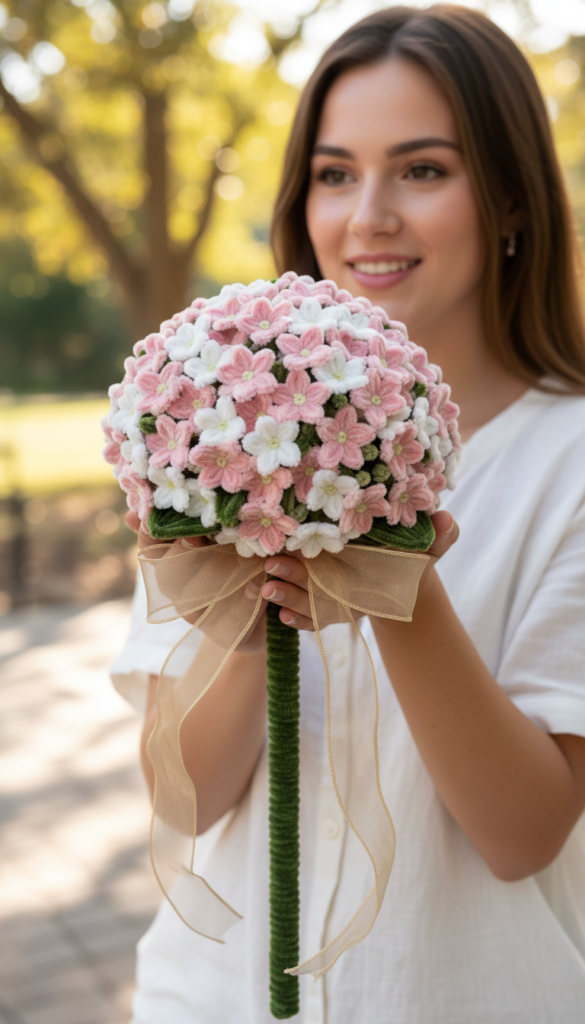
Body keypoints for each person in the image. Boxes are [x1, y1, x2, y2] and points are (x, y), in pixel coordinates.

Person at [110, 5, 585, 1022]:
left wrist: (397, 579)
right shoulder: (218, 429)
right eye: (333, 173)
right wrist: (244, 597)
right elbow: (185, 793)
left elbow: (523, 831)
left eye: (422, 169)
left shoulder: (570, 461)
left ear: (509, 202)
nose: (367, 215)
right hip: (213, 996)